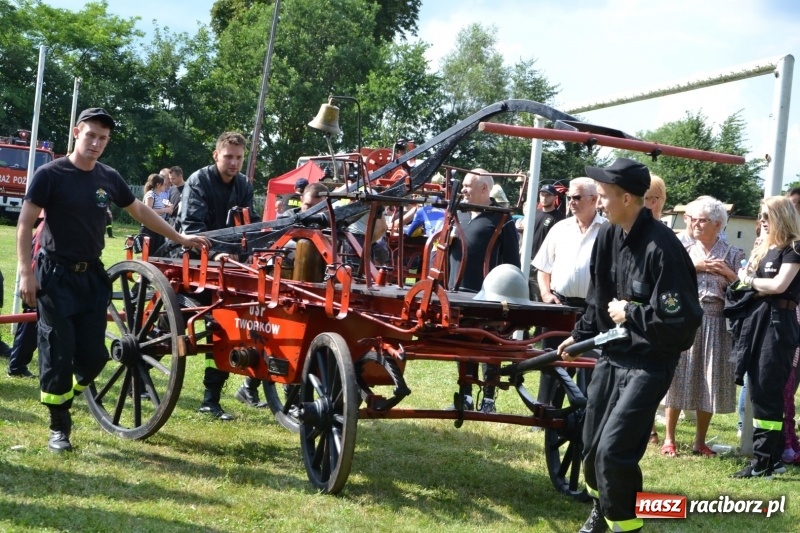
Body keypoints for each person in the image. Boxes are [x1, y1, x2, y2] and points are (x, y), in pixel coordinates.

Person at [15, 107, 209, 452]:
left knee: (95, 359)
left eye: (103, 138)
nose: (96, 143)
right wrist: (26, 274)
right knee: (58, 351)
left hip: (91, 276)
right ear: (77, 132)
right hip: (54, 275)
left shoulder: (108, 177)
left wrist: (180, 239)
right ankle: (59, 425)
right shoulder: (50, 174)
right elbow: (25, 224)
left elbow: (140, 211)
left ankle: (63, 396)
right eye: (90, 135)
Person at [557, 158, 702, 533]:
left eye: (603, 196)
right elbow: (598, 293)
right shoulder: (608, 235)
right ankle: (601, 509)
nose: (599, 202)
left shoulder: (664, 248)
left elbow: (682, 326)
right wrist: (581, 333)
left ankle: (625, 526)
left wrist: (632, 313)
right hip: (613, 353)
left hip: (650, 363)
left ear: (626, 198)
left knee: (613, 452)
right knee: (590, 449)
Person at [180, 131, 261, 421]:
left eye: (239, 157)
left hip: (231, 263)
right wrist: (216, 255)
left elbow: (252, 227)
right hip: (190, 257)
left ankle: (225, 394)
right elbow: (191, 227)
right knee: (220, 323)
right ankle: (209, 400)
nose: (234, 162)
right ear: (216, 155)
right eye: (228, 156)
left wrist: (251, 253)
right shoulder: (198, 181)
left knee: (247, 321)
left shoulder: (244, 185)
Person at [660, 196, 744, 458]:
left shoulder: (733, 253)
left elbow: (745, 290)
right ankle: (669, 438)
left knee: (709, 378)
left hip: (717, 320)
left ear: (718, 224)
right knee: (678, 376)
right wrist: (693, 267)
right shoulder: (680, 248)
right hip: (684, 319)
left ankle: (700, 440)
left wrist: (730, 275)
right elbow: (664, 277)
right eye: (693, 219)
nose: (696, 224)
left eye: (703, 220)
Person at [235, 182, 327, 407]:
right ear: (301, 200)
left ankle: (248, 388)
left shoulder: (330, 224)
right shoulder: (287, 218)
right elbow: (271, 248)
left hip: (312, 290)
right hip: (281, 286)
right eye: (308, 206)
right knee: (284, 342)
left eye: (318, 208)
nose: (312, 212)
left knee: (292, 343)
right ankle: (291, 402)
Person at [728, 196, 800, 478]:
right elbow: (748, 280)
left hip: (779, 323)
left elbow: (779, 285)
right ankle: (773, 458)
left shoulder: (794, 248)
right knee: (758, 389)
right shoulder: (764, 248)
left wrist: (751, 282)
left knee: (767, 392)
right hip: (756, 320)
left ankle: (763, 463)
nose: (762, 222)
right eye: (760, 216)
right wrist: (748, 282)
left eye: (766, 217)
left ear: (781, 217)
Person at [448, 168, 520, 413]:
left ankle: (488, 399)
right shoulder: (458, 213)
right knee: (464, 344)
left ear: (484, 189)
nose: (464, 190)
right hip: (458, 291)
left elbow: (512, 261)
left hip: (490, 296)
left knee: (490, 345)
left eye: (468, 186)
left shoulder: (502, 217)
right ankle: (465, 395)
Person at [533, 177, 606, 341]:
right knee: (551, 361)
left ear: (593, 199)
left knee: (586, 364)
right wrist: (545, 293)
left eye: (577, 197)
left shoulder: (608, 230)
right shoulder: (559, 228)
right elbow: (543, 266)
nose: (571, 202)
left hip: (592, 310)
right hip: (559, 307)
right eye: (569, 197)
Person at [518, 183, 565, 301]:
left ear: (555, 197)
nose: (544, 198)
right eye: (542, 195)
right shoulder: (533, 214)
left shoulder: (559, 218)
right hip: (525, 260)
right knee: (520, 295)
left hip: (541, 265)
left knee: (537, 297)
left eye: (548, 195)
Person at [141, 173, 172, 253]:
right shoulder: (150, 194)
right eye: (164, 184)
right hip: (150, 228)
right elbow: (148, 211)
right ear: (158, 185)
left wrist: (166, 208)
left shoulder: (157, 195)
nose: (166, 186)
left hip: (157, 227)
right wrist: (165, 210)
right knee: (150, 252)